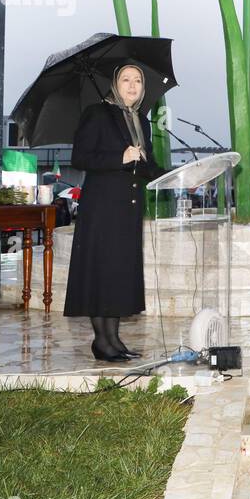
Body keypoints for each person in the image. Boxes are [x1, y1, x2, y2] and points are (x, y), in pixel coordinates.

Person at [64, 64, 163, 362]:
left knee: (118, 273)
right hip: (102, 207)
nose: (132, 86)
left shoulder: (141, 122)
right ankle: (101, 342)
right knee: (101, 271)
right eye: (125, 80)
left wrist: (182, 174)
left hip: (128, 209)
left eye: (137, 81)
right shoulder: (97, 113)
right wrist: (120, 156)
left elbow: (147, 167)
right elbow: (80, 157)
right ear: (115, 85)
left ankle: (114, 339)